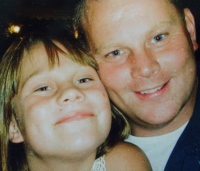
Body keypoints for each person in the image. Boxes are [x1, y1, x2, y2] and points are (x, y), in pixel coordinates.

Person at [73, 0, 200, 170]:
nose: (145, 68)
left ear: (190, 29)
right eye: (115, 53)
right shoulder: (70, 149)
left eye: (158, 38)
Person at [0, 31, 151, 171]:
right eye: (43, 88)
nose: (71, 92)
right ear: (13, 125)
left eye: (84, 79)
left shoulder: (124, 163)